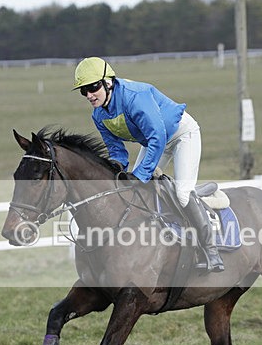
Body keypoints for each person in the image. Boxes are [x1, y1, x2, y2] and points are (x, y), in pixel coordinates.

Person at [72, 56, 224, 272]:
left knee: (182, 193)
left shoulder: (135, 97)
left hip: (181, 135)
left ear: (108, 82)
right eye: (83, 91)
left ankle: (211, 251)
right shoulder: (98, 115)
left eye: (92, 87)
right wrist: (117, 171)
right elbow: (116, 151)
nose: (89, 95)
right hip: (154, 140)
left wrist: (141, 173)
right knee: (136, 189)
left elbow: (158, 136)